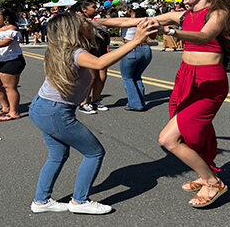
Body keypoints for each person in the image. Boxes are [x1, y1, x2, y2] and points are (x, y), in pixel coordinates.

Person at [101, 0, 230, 208]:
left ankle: (213, 182)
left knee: (169, 139)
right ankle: (205, 173)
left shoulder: (218, 13)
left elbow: (204, 36)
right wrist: (94, 22)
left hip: (209, 82)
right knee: (190, 133)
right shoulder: (181, 14)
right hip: (185, 78)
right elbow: (129, 22)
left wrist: (169, 31)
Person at [28, 12, 156, 214]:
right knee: (94, 152)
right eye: (85, 22)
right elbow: (100, 63)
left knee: (57, 155)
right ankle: (80, 201)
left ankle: (41, 201)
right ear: (74, 30)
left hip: (42, 108)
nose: (90, 23)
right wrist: (137, 40)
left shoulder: (59, 49)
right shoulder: (75, 52)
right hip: (55, 112)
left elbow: (111, 28)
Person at [71, 1, 110, 114]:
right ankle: (84, 102)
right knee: (91, 78)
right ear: (84, 9)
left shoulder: (95, 20)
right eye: (93, 7)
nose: (96, 9)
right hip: (89, 51)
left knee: (102, 77)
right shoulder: (80, 21)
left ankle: (95, 100)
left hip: (101, 50)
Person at [119, 7, 153, 111]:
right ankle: (140, 102)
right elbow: (153, 36)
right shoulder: (146, 22)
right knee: (137, 76)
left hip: (130, 47)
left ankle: (134, 104)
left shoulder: (127, 21)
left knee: (127, 77)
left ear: (130, 11)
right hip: (146, 49)